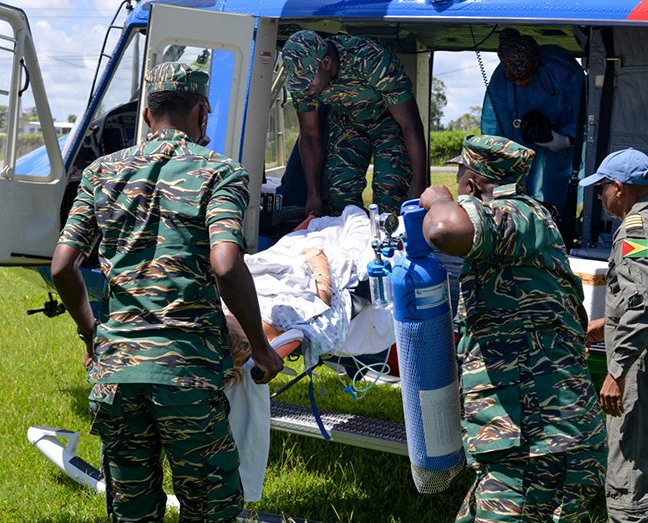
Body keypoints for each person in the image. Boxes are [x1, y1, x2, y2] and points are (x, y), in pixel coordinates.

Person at [50, 61, 283, 522]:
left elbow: (62, 266)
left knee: (132, 510)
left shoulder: (101, 173)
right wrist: (260, 347)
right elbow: (226, 263)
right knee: (209, 508)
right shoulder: (221, 173)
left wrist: (91, 334)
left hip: (117, 374)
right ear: (202, 112)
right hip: (187, 375)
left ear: (145, 115)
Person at [419, 135, 607, 522]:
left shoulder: (518, 215)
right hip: (531, 436)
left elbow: (442, 228)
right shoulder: (518, 228)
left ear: (471, 185)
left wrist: (438, 201)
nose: (455, 189)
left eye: (459, 180)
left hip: (543, 438)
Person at [580, 149, 648, 523]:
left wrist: (616, 372)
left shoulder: (633, 233)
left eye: (601, 190)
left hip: (642, 366)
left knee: (631, 478)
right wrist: (605, 325)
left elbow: (643, 305)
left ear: (619, 187)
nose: (599, 197)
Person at [282, 30, 428, 216]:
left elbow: (410, 124)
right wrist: (313, 193)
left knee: (391, 194)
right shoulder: (303, 80)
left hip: (388, 123)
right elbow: (310, 133)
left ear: (326, 63)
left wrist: (419, 185)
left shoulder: (371, 58)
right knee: (340, 195)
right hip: (347, 122)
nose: (304, 90)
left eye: (307, 83)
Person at [481, 28, 584, 215]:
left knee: (558, 181)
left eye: (525, 76)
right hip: (517, 142)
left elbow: (582, 109)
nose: (519, 83)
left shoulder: (563, 70)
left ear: (535, 63)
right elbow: (493, 124)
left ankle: (557, 220)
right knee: (518, 184)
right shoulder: (499, 81)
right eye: (514, 79)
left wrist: (566, 139)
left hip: (560, 139)